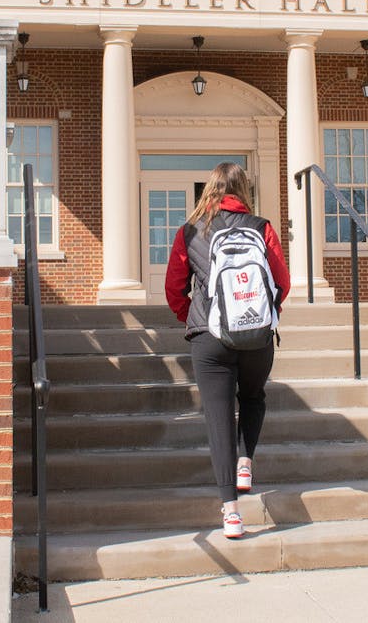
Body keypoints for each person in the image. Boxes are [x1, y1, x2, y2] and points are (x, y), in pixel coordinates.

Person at [164, 162, 290, 539]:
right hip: (257, 335)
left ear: (210, 190)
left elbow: (174, 288)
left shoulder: (190, 232)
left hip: (209, 336)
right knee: (253, 398)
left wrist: (195, 319)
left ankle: (231, 513)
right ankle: (246, 460)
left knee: (219, 419)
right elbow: (281, 283)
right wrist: (266, 316)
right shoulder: (261, 227)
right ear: (242, 190)